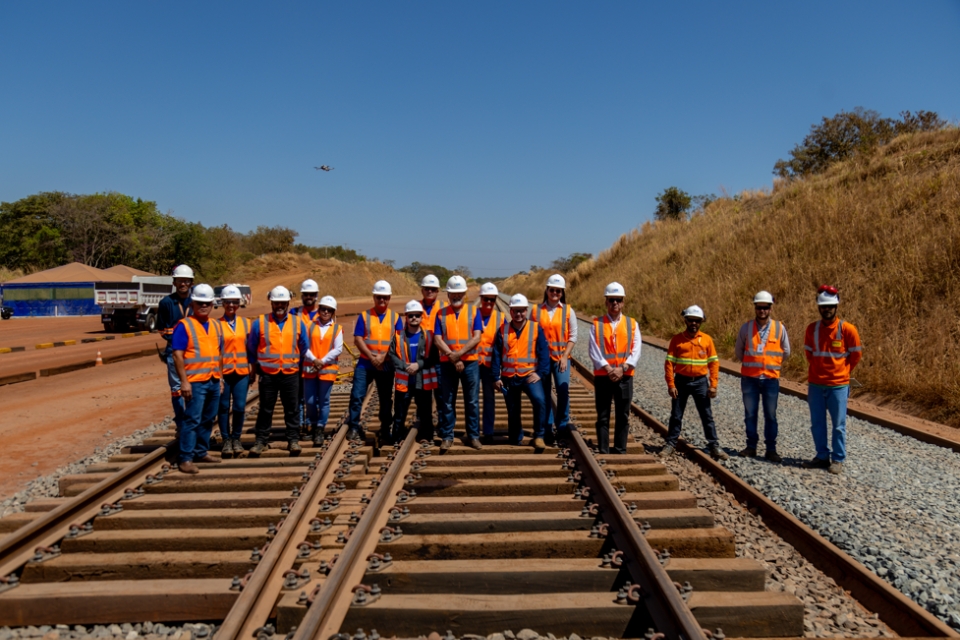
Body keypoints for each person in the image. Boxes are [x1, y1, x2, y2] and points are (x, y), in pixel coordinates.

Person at [802, 285, 862, 474]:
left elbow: (855, 356)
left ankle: (837, 459)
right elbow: (809, 354)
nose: (826, 309)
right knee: (817, 422)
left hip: (838, 386)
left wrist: (841, 372)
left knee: (838, 425)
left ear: (836, 307)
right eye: (823, 306)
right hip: (816, 385)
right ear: (819, 308)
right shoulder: (812, 329)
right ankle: (821, 456)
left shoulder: (848, 330)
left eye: (830, 306)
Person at [246, 286, 310, 456]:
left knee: (292, 408)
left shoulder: (297, 322)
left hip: (290, 373)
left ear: (288, 303)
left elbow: (304, 346)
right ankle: (261, 441)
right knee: (266, 408)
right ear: (271, 303)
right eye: (276, 303)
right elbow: (251, 348)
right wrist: (254, 369)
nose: (279, 305)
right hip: (268, 375)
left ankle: (293, 440)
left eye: (282, 302)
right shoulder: (259, 323)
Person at [662, 305, 728, 461]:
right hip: (681, 382)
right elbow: (669, 364)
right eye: (691, 320)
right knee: (676, 415)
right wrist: (671, 384)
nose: (693, 323)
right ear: (685, 320)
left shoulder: (707, 340)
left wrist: (713, 385)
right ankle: (670, 444)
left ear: (701, 322)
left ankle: (714, 446)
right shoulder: (677, 340)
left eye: (697, 321)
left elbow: (714, 364)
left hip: (700, 383)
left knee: (707, 415)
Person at [171, 284, 223, 474]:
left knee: (208, 418)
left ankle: (201, 451)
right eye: (200, 303)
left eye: (207, 303)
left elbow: (218, 355)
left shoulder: (216, 325)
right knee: (192, 419)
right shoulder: (184, 325)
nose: (204, 306)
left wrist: (221, 379)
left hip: (213, 380)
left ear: (212, 305)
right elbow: (177, 355)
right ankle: (185, 457)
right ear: (193, 304)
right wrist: (184, 382)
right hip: (195, 381)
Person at [734, 291, 790, 462]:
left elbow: (786, 352)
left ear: (770, 308)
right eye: (759, 307)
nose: (762, 310)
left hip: (771, 379)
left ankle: (771, 450)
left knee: (770, 415)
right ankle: (751, 447)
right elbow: (739, 351)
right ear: (755, 308)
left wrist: (771, 363)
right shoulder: (746, 328)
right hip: (750, 379)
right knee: (750, 414)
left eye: (765, 307)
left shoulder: (780, 328)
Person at [589, 282, 642, 454]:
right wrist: (608, 368)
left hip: (625, 376)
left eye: (618, 300)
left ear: (623, 302)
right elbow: (593, 349)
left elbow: (636, 349)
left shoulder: (632, 324)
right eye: (611, 300)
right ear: (606, 302)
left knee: (623, 415)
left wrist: (622, 368)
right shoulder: (596, 324)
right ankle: (603, 449)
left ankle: (620, 449)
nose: (615, 304)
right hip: (604, 376)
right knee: (603, 416)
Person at [491, 294, 550, 449]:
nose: (518, 314)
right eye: (515, 311)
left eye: (522, 311)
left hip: (529, 376)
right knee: (513, 408)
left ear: (526, 310)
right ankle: (516, 437)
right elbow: (496, 355)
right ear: (510, 311)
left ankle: (539, 436)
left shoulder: (536, 328)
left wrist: (540, 373)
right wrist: (496, 377)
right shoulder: (502, 330)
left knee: (540, 400)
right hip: (509, 377)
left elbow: (544, 354)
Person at [347, 280, 403, 442]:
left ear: (389, 298)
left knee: (386, 398)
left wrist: (383, 357)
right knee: (357, 395)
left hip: (386, 364)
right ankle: (353, 426)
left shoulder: (395, 318)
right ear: (374, 297)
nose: (382, 300)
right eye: (379, 297)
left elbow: (398, 341)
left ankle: (385, 428)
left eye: (385, 297)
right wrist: (372, 357)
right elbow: (358, 339)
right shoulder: (364, 316)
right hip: (366, 363)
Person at [434, 275, 484, 451]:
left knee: (472, 401)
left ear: (465, 294)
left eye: (459, 293)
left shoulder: (473, 312)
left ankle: (473, 436)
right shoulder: (441, 314)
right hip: (447, 363)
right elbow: (437, 339)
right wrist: (451, 355)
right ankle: (447, 436)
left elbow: (477, 337)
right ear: (448, 295)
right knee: (447, 401)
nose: (456, 296)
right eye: (453, 293)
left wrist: (459, 355)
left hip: (469, 363)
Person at [532, 274, 577, 443]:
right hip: (542, 360)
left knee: (562, 390)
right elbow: (530, 334)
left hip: (561, 359)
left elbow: (573, 336)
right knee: (544, 393)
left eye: (558, 291)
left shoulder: (568, 311)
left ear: (562, 292)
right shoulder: (536, 311)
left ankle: (563, 425)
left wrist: (565, 356)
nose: (555, 293)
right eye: (552, 290)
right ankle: (548, 427)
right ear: (547, 290)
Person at [388, 300, 440, 443]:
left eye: (417, 315)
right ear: (406, 317)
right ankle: (397, 438)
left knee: (425, 411)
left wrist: (419, 365)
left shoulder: (429, 336)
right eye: (411, 316)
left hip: (422, 381)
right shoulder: (398, 336)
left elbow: (434, 357)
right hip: (404, 381)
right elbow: (391, 355)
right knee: (399, 412)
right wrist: (405, 366)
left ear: (422, 317)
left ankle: (426, 436)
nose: (414, 318)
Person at [156, 264, 195, 435]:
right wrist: (176, 340)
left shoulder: (196, 302)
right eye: (180, 281)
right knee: (177, 389)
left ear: (191, 282)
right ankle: (181, 422)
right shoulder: (166, 303)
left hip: (194, 353)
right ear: (174, 282)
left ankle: (192, 421)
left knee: (195, 387)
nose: (183, 284)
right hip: (173, 352)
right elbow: (162, 329)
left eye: (186, 281)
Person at [302, 295, 343, 447]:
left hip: (327, 369)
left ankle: (319, 428)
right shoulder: (309, 326)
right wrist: (314, 360)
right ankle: (312, 424)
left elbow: (338, 348)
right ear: (318, 310)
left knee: (324, 401)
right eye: (323, 309)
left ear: (333, 312)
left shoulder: (337, 329)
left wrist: (322, 361)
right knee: (310, 400)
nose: (326, 312)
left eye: (329, 310)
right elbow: (303, 345)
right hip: (310, 367)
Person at [217, 285, 253, 458]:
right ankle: (226, 440)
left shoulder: (246, 323)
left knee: (239, 407)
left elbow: (251, 349)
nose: (231, 305)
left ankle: (236, 439)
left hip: (241, 372)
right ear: (223, 303)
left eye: (235, 302)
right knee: (223, 407)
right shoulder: (216, 325)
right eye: (228, 302)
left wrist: (252, 369)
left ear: (239, 303)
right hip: (223, 373)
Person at [476, 282, 506, 444]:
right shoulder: (473, 314)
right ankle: (473, 432)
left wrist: (500, 369)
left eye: (492, 299)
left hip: (489, 366)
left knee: (489, 398)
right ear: (481, 298)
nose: (488, 302)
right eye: (486, 299)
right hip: (473, 364)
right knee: (472, 399)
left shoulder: (501, 318)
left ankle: (488, 431)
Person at [418, 274, 447, 439]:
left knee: (441, 395)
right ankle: (426, 429)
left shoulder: (444, 308)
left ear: (438, 291)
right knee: (423, 396)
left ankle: (444, 428)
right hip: (422, 359)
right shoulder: (415, 307)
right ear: (422, 289)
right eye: (427, 288)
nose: (429, 291)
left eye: (433, 289)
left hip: (439, 359)